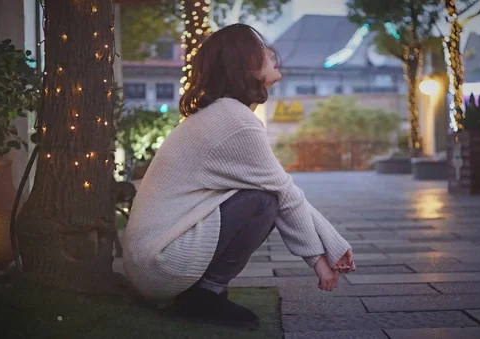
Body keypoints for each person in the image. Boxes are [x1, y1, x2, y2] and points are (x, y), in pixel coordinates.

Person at [123, 23, 355, 330]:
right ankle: (205, 296)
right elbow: (284, 193)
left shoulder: (225, 114)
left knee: (266, 194)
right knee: (262, 201)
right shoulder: (235, 121)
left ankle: (201, 293)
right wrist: (320, 261)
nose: (272, 54)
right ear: (241, 62)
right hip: (161, 263)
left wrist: (333, 247)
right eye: (260, 49)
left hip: (151, 261)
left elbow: (282, 187)